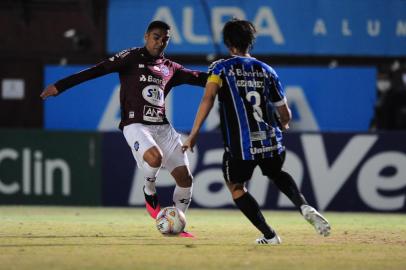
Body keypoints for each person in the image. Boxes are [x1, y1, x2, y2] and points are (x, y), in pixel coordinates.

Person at [41, 20, 208, 238]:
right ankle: (149, 190)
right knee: (154, 158)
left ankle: (177, 224)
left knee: (185, 179)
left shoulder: (171, 68)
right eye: (156, 37)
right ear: (146, 36)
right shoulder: (129, 57)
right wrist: (60, 86)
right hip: (135, 124)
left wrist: (224, 77)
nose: (160, 42)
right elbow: (97, 70)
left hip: (163, 128)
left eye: (165, 39)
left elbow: (200, 78)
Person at [182, 19, 331, 244]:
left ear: (228, 42)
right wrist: (284, 124)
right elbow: (285, 114)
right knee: (276, 173)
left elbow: (208, 98)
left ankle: (270, 235)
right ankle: (303, 205)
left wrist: (193, 133)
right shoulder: (267, 71)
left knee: (236, 187)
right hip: (271, 140)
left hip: (241, 145)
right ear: (251, 42)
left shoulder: (220, 68)